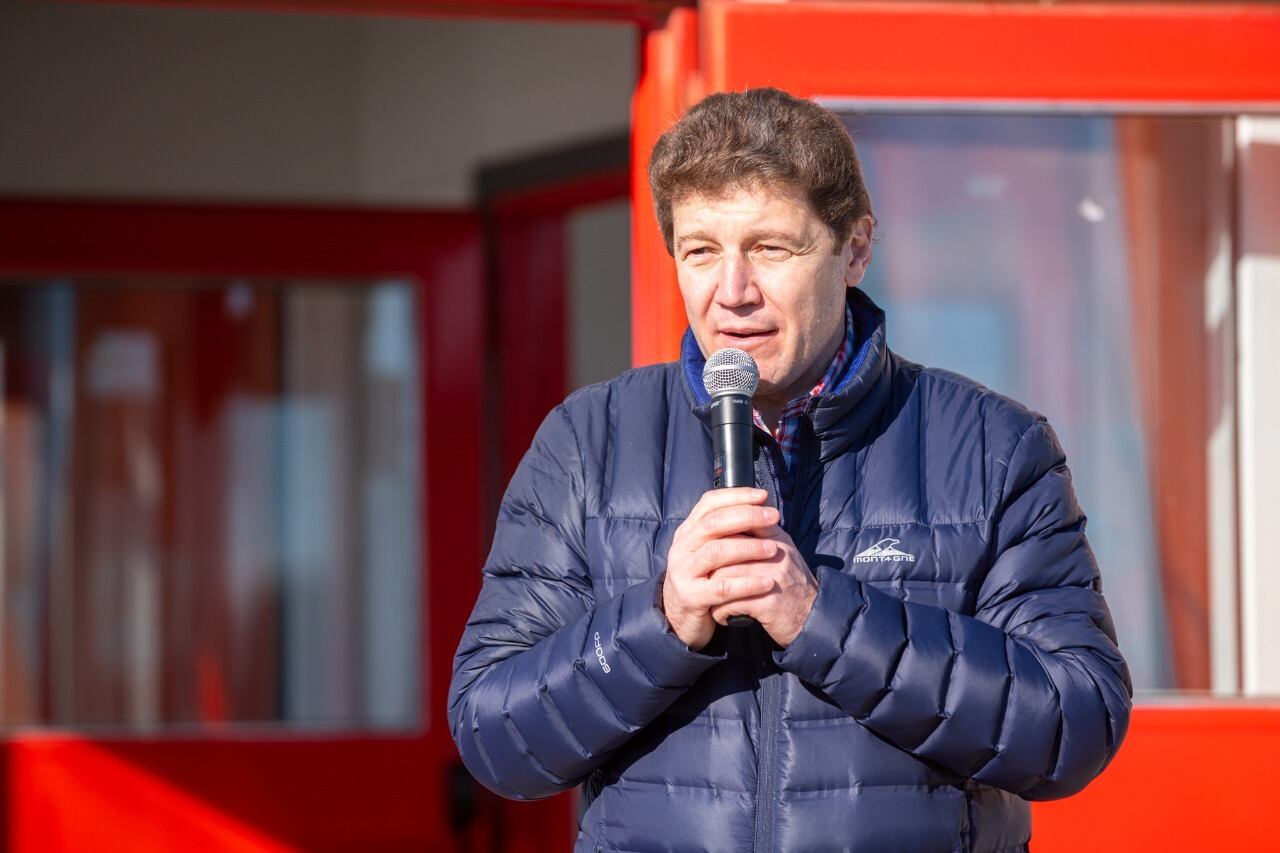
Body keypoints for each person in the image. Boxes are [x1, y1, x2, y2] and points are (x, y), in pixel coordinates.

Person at [448, 87, 1131, 852]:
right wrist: (662, 620)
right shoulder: (588, 441)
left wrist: (824, 620)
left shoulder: (992, 446)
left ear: (856, 248)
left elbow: (1078, 721)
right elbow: (492, 734)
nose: (731, 292)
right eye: (701, 250)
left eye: (771, 248)